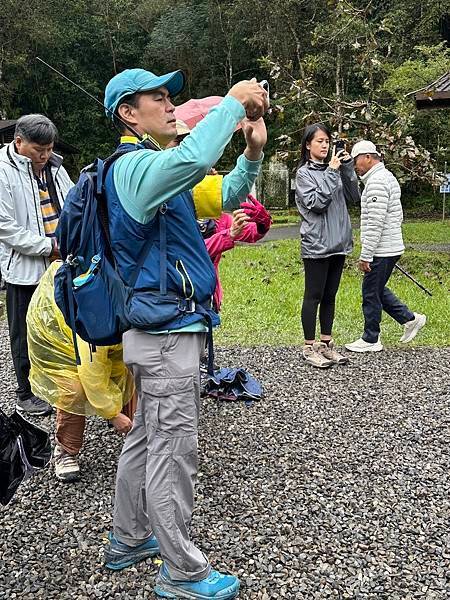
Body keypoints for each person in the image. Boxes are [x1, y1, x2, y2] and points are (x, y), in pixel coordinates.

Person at [100, 68, 268, 600]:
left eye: (171, 96)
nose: (170, 105)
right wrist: (233, 104)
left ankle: (127, 538)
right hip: (167, 329)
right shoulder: (136, 169)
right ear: (129, 113)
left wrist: (253, 153)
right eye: (158, 97)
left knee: (148, 434)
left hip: (158, 329)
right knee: (173, 449)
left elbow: (223, 195)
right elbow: (195, 159)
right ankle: (181, 571)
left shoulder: (158, 172)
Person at [26, 261, 135, 482]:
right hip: (60, 335)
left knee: (133, 370)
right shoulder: (97, 317)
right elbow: (91, 371)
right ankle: (66, 450)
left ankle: (137, 439)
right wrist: (113, 415)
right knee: (74, 389)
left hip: (106, 320)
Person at [0, 115, 73, 416]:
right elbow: (5, 227)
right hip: (24, 268)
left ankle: (58, 386)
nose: (43, 156)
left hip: (61, 264)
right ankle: (25, 393)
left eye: (48, 148)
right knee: (24, 332)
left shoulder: (56, 167)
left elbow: (72, 203)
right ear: (18, 142)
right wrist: (49, 246)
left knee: (60, 327)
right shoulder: (3, 171)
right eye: (37, 149)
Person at [345, 141, 426, 352]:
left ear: (368, 157)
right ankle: (410, 320)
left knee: (370, 293)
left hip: (382, 249)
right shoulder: (386, 177)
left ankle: (371, 338)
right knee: (376, 289)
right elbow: (396, 216)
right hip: (391, 246)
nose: (355, 166)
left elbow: (375, 223)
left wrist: (366, 255)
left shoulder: (377, 183)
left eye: (356, 161)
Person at [295, 123, 360, 368]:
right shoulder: (304, 174)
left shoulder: (336, 169)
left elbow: (354, 197)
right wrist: (332, 172)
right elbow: (317, 203)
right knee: (314, 295)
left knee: (330, 296)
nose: (324, 145)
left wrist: (348, 167)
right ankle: (309, 346)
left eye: (327, 141)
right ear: (308, 145)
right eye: (319, 141)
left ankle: (326, 343)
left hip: (339, 242)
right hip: (317, 243)